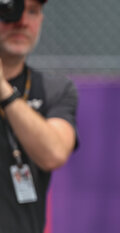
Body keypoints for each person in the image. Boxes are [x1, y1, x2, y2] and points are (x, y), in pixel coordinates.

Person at [0, 0, 78, 232]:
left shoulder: (55, 89)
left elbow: (53, 154)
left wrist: (4, 90)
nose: (22, 22)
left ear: (41, 19)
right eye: (9, 10)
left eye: (33, 11)